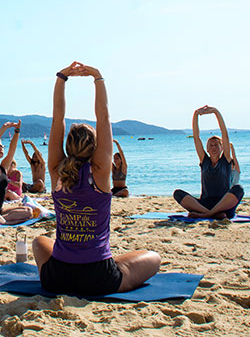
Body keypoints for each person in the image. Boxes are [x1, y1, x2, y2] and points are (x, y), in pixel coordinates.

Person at [32, 62, 160, 296]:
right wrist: (97, 77)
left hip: (57, 278)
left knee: (39, 242)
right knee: (154, 258)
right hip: (98, 277)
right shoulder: (100, 173)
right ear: (95, 147)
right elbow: (104, 116)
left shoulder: (55, 171)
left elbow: (57, 119)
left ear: (68, 146)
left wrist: (61, 78)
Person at [173, 105, 245, 219]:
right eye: (210, 145)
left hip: (224, 206)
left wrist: (216, 112)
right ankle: (211, 213)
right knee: (178, 193)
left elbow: (224, 133)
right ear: (206, 149)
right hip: (204, 204)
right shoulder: (204, 160)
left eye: (216, 145)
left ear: (222, 148)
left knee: (239, 189)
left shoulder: (225, 160)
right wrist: (196, 114)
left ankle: (208, 214)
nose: (213, 147)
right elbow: (196, 137)